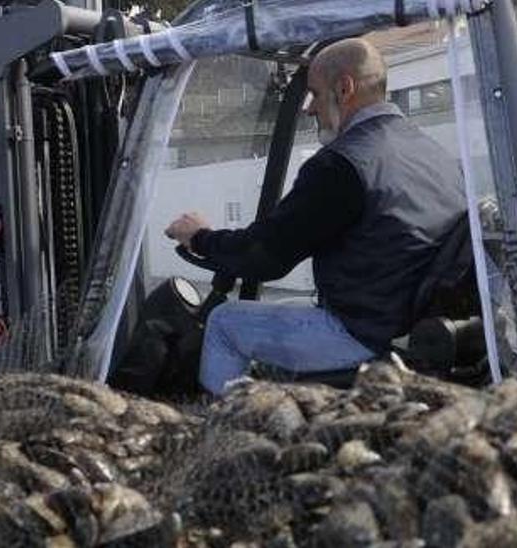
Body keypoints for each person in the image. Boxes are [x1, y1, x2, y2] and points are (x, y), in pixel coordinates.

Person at [164, 37, 467, 395]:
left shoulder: (342, 164)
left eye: (315, 93)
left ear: (344, 88)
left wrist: (200, 237)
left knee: (225, 322)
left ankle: (215, 434)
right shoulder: (430, 151)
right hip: (404, 321)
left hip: (362, 333)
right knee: (279, 310)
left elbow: (264, 257)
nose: (309, 108)